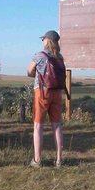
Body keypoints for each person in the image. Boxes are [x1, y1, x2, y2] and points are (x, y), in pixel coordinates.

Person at [26, 30, 66, 168]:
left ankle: (37, 160)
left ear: (47, 40)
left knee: (38, 126)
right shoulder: (60, 57)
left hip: (42, 92)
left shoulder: (40, 55)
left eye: (43, 39)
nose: (42, 41)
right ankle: (59, 160)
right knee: (57, 126)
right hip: (57, 92)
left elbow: (29, 71)